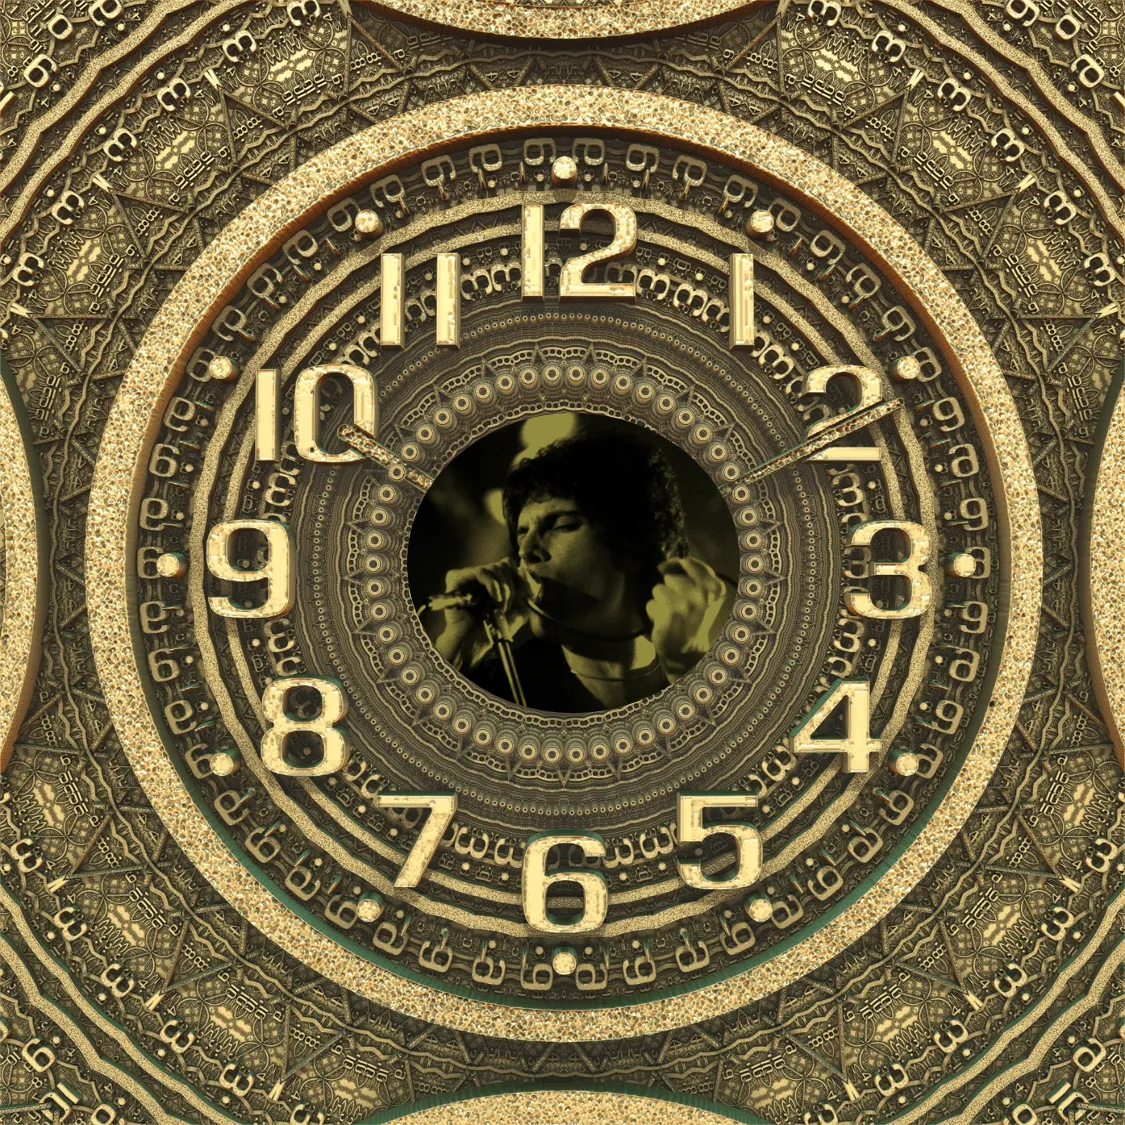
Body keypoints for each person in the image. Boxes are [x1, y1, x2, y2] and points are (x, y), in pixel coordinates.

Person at [426, 430, 732, 712]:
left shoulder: (714, 680)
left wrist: (689, 671)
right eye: (521, 533)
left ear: (635, 544)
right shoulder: (489, 689)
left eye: (561, 525)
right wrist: (457, 657)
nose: (526, 550)